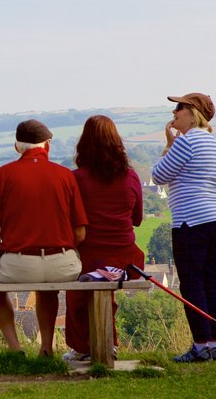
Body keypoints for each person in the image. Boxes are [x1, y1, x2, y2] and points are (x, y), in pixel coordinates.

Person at [0, 119, 87, 356]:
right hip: (62, 264)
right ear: (47, 145)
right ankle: (46, 347)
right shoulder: (65, 175)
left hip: (18, 262)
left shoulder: (3, 174)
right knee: (48, 287)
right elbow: (80, 232)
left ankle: (15, 348)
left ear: (16, 146)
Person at [152, 92, 216, 363]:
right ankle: (213, 343)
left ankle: (200, 345)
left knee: (192, 283)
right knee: (211, 279)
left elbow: (158, 175)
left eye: (179, 108)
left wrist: (169, 146)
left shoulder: (186, 142)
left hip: (191, 220)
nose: (174, 113)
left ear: (193, 112)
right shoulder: (212, 142)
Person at [62, 115, 145, 361]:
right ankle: (109, 344)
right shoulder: (131, 177)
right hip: (126, 257)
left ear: (83, 143)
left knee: (77, 293)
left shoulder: (76, 178)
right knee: (103, 291)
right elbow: (137, 219)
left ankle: (83, 348)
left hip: (89, 256)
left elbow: (70, 222)